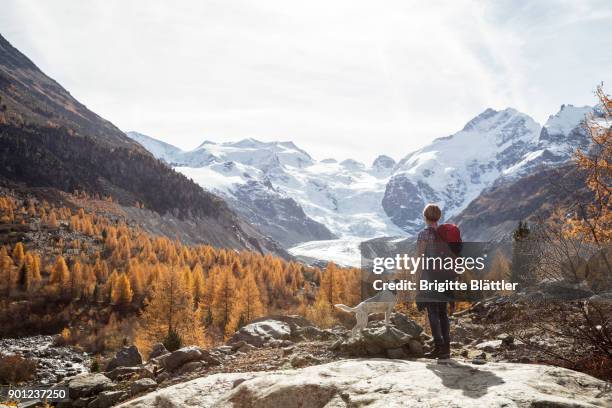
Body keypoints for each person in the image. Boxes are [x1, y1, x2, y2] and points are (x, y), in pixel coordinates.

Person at [416, 203, 452, 359]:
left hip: (430, 276)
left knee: (432, 312)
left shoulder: (424, 235)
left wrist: (417, 280)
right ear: (439, 217)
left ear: (425, 217)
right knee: (443, 312)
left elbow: (420, 259)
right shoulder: (446, 233)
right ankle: (446, 347)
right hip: (445, 276)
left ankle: (439, 346)